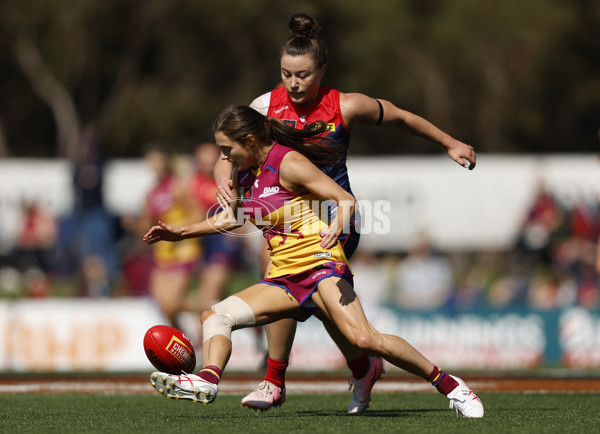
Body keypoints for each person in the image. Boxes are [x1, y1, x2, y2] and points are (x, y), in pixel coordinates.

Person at [143, 105, 484, 418]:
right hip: (283, 276)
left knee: (365, 339)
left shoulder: (289, 163)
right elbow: (233, 219)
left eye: (227, 149)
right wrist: (181, 233)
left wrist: (337, 224)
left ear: (248, 141)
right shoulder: (242, 172)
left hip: (321, 265)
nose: (223, 157)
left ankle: (452, 386)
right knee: (215, 317)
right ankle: (207, 381)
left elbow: (344, 199)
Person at [212, 13, 477, 413]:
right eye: (286, 74)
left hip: (337, 214)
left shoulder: (346, 106)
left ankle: (275, 380)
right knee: (314, 299)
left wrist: (449, 141)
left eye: (302, 75)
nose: (293, 83)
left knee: (287, 280)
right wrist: (224, 180)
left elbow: (401, 117)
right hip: (286, 215)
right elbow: (229, 151)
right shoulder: (265, 106)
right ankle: (358, 368)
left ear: (321, 70)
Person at [139, 145, 201, 328]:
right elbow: (146, 223)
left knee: (172, 303)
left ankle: (211, 307)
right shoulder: (151, 193)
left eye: (158, 160)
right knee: (163, 305)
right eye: (151, 161)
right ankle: (183, 341)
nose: (155, 165)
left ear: (166, 162)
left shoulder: (177, 185)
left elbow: (198, 212)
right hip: (162, 251)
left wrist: (179, 229)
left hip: (183, 248)